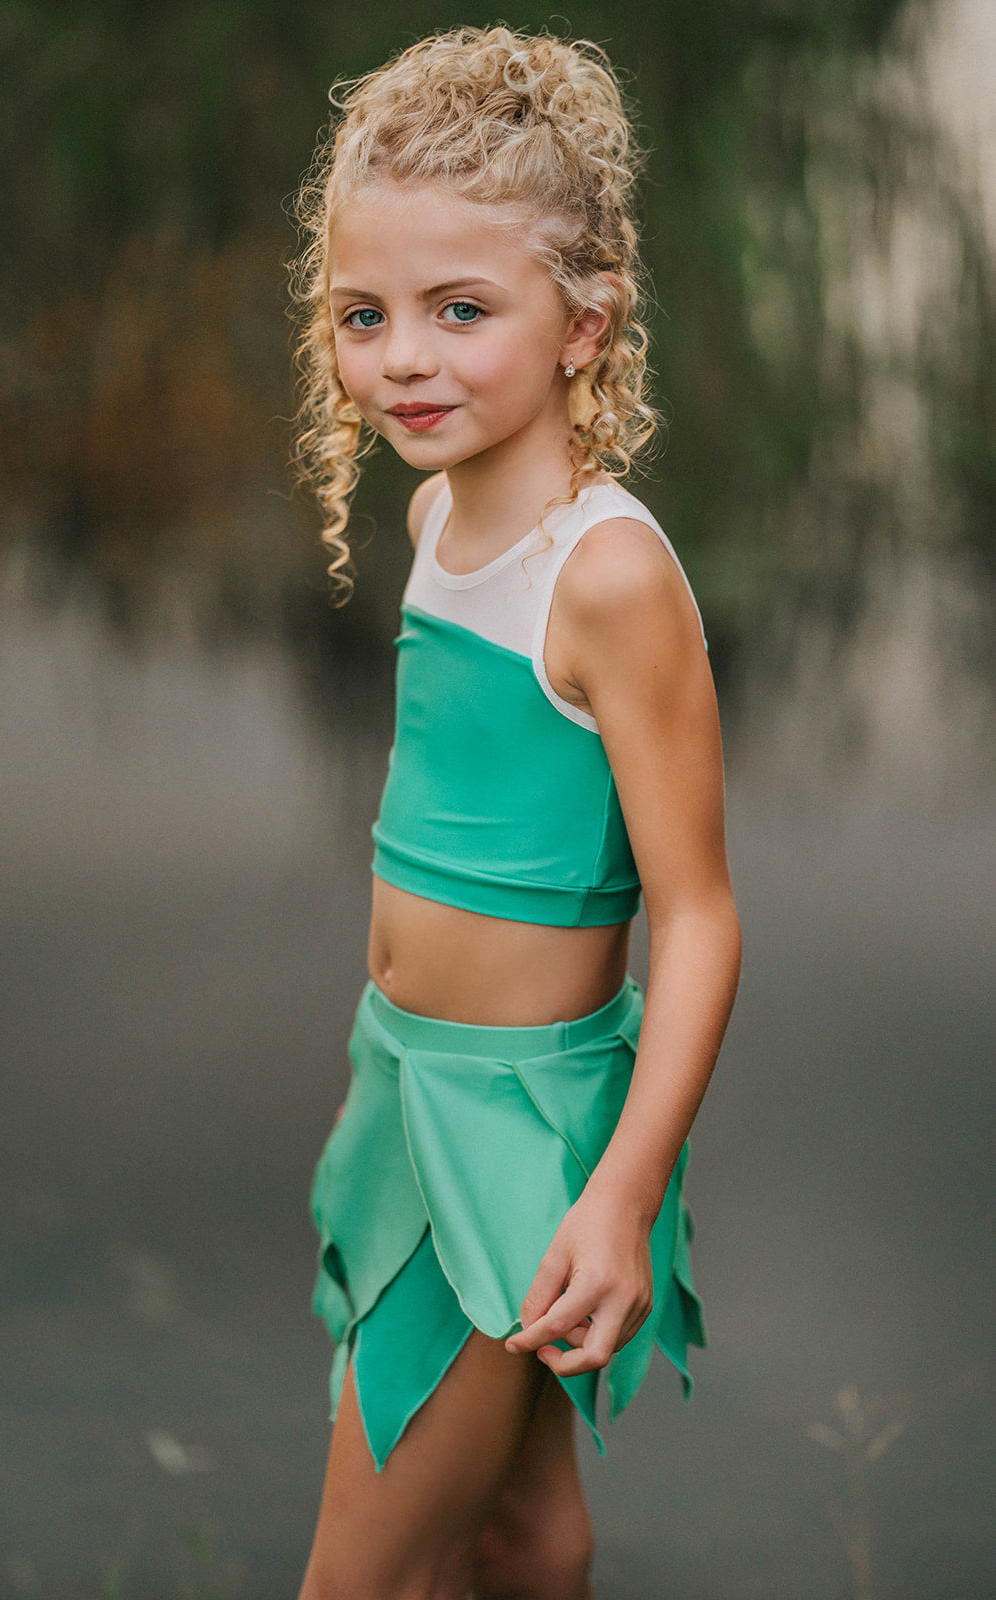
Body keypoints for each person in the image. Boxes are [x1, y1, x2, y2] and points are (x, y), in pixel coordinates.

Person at [290, 25, 741, 1600]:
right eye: (365, 315)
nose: (404, 358)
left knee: (363, 1581)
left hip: (511, 1138)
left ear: (582, 324)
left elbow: (699, 917)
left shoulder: (603, 578)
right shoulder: (438, 514)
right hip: (405, 1079)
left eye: (461, 310)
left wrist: (620, 1195)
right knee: (519, 1536)